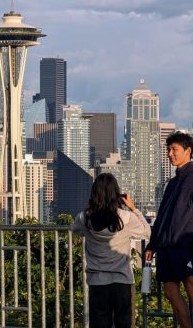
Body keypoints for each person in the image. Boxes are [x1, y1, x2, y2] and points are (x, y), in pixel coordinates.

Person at [73, 172, 151, 328]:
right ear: (116, 194)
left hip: (97, 282)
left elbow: (76, 230)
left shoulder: (84, 218)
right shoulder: (126, 218)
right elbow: (146, 231)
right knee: (124, 324)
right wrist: (134, 208)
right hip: (122, 281)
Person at [145, 131, 193, 327]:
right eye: (168, 149)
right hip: (166, 246)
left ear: (188, 151)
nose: (170, 154)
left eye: (174, 149)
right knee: (170, 291)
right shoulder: (172, 183)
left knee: (191, 287)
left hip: (186, 243)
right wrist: (152, 244)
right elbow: (162, 215)